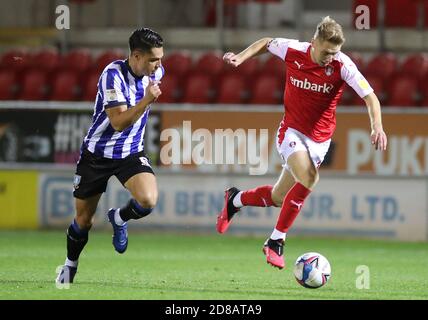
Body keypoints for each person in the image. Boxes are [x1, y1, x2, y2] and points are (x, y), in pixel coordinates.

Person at [216, 16, 387, 269]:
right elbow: (266, 43)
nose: (331, 57)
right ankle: (275, 241)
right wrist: (241, 57)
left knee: (277, 197)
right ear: (314, 42)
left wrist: (377, 127)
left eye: (335, 52)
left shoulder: (342, 65)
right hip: (291, 132)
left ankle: (235, 199)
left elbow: (370, 97)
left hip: (320, 141)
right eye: (327, 51)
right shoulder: (294, 49)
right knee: (309, 178)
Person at [56, 27, 164, 284]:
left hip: (130, 152)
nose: (158, 65)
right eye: (153, 59)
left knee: (148, 200)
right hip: (98, 154)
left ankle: (119, 217)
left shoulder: (157, 71)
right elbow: (117, 123)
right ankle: (70, 265)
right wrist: (146, 101)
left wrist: (147, 97)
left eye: (161, 58)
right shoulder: (112, 76)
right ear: (136, 56)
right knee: (84, 221)